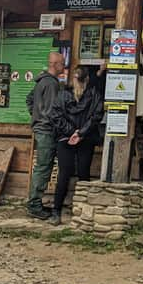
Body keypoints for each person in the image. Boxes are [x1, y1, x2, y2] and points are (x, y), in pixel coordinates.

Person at [48, 64, 105, 225]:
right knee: (83, 175)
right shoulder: (95, 95)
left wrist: (72, 132)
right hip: (84, 139)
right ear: (87, 79)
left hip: (66, 139)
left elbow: (56, 116)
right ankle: (83, 212)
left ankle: (56, 212)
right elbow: (96, 117)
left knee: (64, 175)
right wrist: (80, 133)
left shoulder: (63, 94)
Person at [25, 51, 64, 220]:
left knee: (42, 166)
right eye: (62, 63)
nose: (64, 66)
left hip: (41, 129)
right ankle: (34, 205)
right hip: (47, 131)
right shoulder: (52, 84)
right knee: (43, 167)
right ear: (55, 65)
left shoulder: (41, 82)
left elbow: (29, 100)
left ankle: (35, 203)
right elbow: (53, 112)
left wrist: (35, 117)